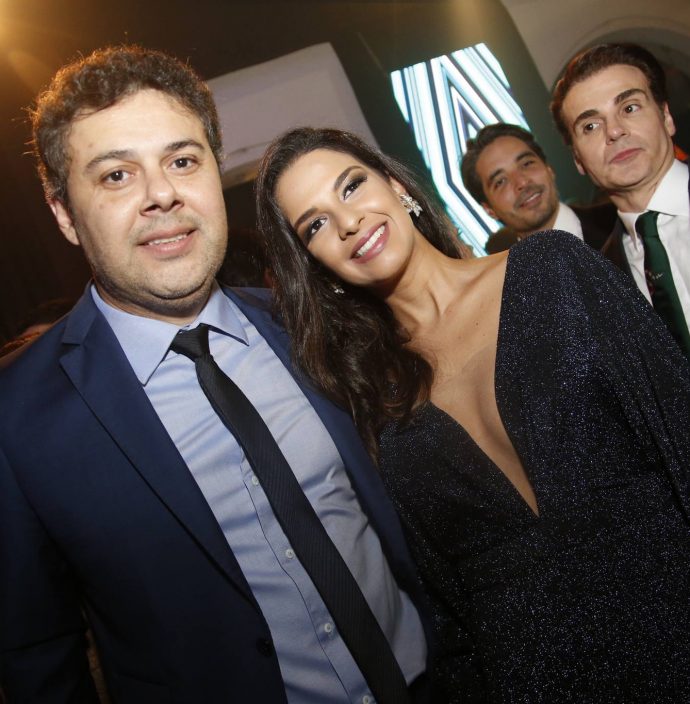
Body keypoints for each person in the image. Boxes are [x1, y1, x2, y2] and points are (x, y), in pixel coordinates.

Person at [0, 47, 431, 703]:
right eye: (116, 175)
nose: (161, 194)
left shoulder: (315, 323)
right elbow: (37, 654)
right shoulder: (18, 416)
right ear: (64, 213)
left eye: (182, 161)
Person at [255, 126, 690, 703]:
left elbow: (679, 431)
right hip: (533, 680)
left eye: (352, 186)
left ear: (395, 185)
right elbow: (447, 608)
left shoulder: (553, 271)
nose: (348, 222)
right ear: (314, 265)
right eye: (315, 225)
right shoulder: (374, 404)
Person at [551, 42, 690, 356]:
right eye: (590, 126)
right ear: (577, 159)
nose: (614, 131)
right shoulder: (600, 284)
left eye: (629, 108)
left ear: (666, 117)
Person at [461, 122, 616, 250]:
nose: (522, 182)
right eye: (500, 181)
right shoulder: (508, 277)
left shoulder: (618, 223)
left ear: (549, 169)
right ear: (489, 209)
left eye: (527, 164)